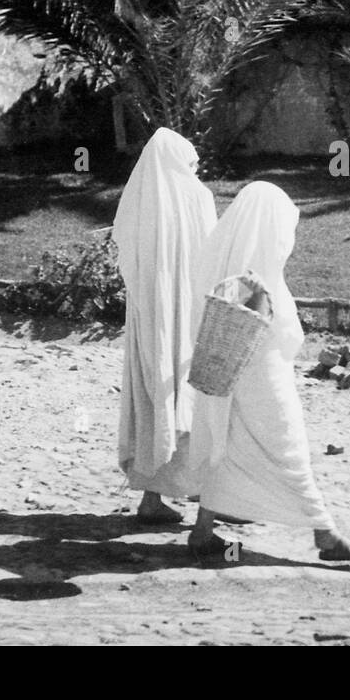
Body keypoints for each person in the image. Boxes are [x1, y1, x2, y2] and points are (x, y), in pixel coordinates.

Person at [186, 181, 350, 563]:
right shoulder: (254, 275)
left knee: (234, 444)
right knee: (288, 448)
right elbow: (265, 324)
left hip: (235, 377)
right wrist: (260, 295)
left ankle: (202, 531)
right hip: (260, 376)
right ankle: (326, 534)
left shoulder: (230, 259)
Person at [111, 128, 216, 524]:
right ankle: (208, 496)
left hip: (149, 315)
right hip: (187, 310)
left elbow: (125, 251)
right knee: (185, 393)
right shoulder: (198, 197)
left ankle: (152, 499)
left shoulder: (139, 199)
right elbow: (211, 252)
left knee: (155, 393)